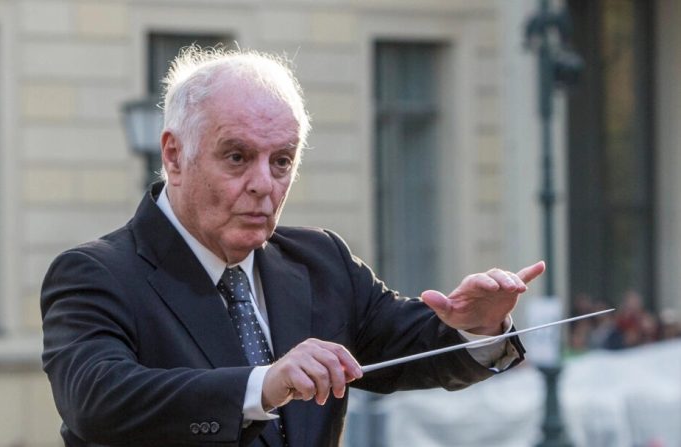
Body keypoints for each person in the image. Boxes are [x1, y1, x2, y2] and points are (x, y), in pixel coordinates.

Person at [41, 47, 545, 447]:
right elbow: (97, 400)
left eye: (281, 161)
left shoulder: (320, 260)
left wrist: (479, 326)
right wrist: (262, 385)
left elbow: (415, 346)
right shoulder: (95, 274)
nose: (264, 184)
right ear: (174, 155)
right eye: (237, 157)